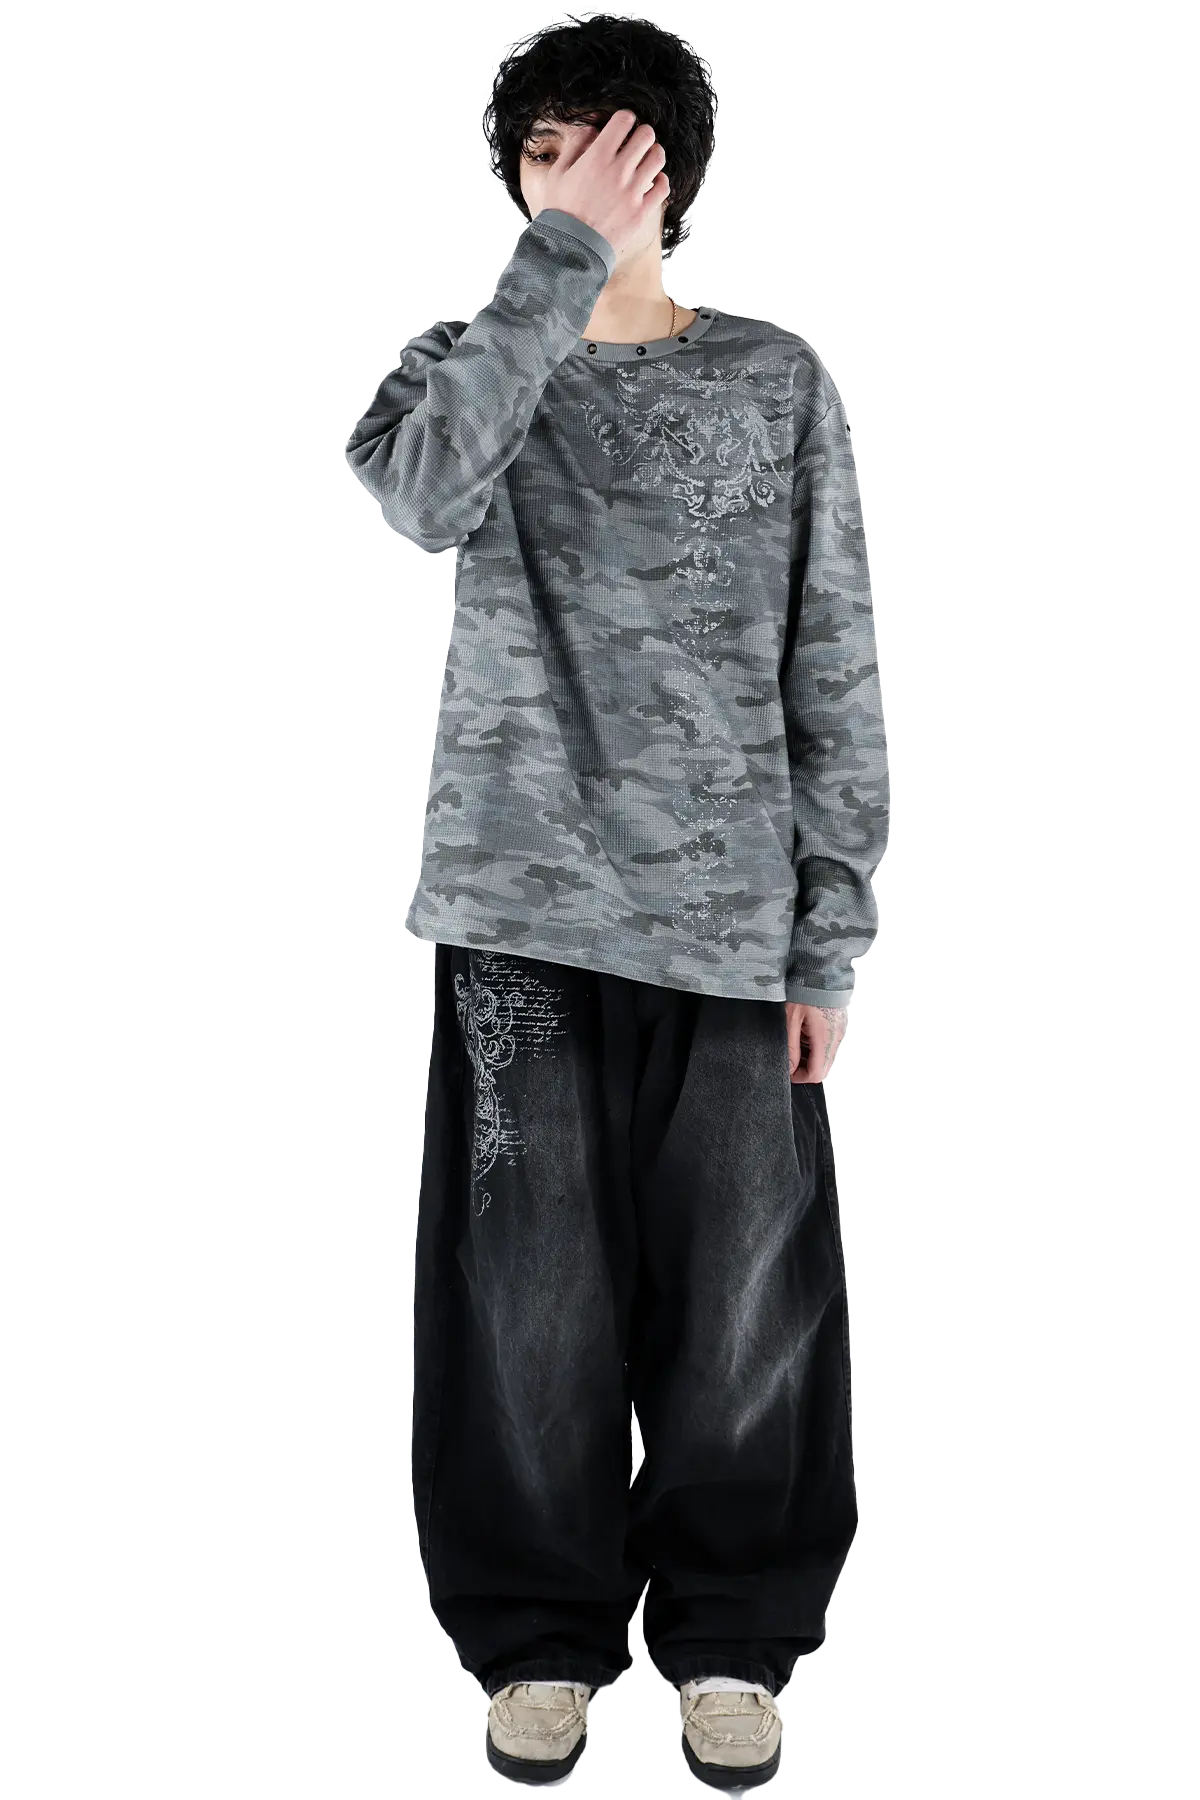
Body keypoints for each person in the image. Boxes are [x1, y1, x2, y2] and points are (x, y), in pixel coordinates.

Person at [344, 12, 887, 1789]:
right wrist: (557, 266)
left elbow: (834, 658)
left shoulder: (778, 377)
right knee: (525, 1299)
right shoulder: (462, 367)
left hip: (730, 918)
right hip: (515, 911)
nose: (576, 172)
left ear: (683, 168)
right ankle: (534, 1635)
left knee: (747, 1298)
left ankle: (733, 1631)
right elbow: (419, 499)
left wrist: (831, 934)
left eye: (613, 145)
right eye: (547, 146)